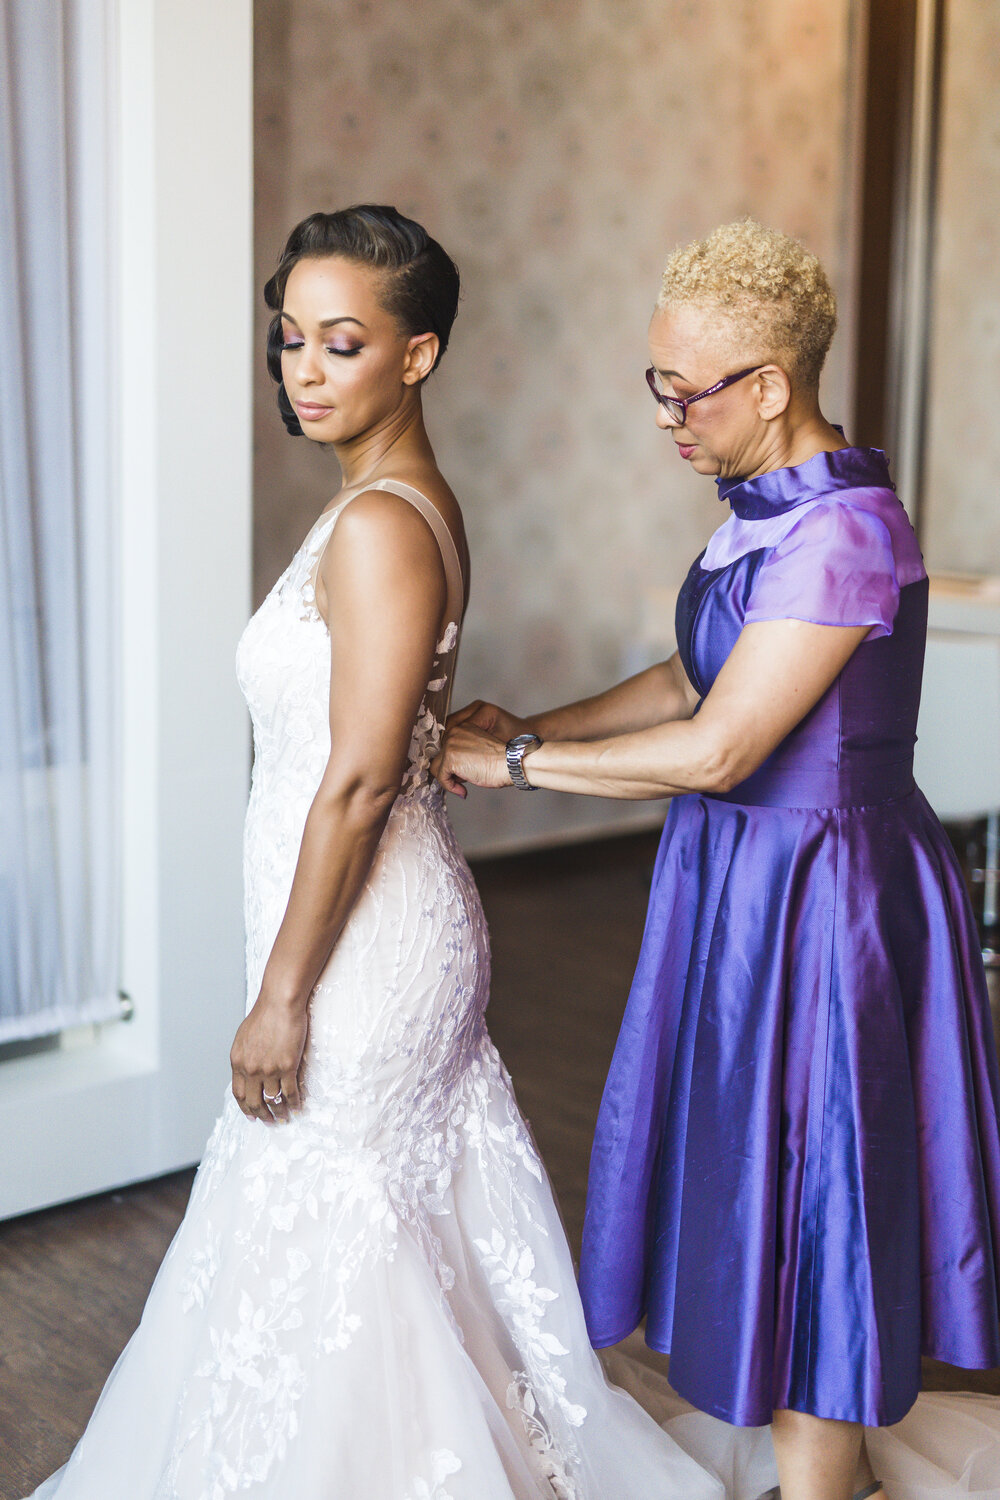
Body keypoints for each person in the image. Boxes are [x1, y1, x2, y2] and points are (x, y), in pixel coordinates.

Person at [25, 205, 741, 1500]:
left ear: (416, 354)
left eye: (340, 342)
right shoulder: (385, 506)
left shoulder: (380, 527)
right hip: (374, 917)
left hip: (363, 948)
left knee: (344, 1221)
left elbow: (356, 782)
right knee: (373, 1232)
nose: (303, 368)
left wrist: (280, 998)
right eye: (289, 338)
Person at [434, 219, 1000, 1500]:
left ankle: (822, 1475)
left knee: (821, 1192)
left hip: (824, 895)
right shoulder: (760, 515)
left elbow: (719, 748)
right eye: (656, 384)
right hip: (741, 887)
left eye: (681, 390)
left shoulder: (846, 529)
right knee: (764, 1168)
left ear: (770, 386)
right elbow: (695, 677)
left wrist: (510, 771)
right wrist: (537, 723)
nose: (665, 417)